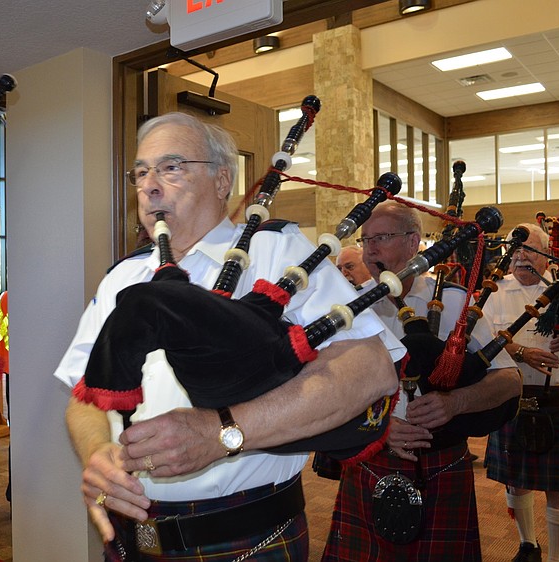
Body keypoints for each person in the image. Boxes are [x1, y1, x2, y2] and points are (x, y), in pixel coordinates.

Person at [54, 112, 402, 560]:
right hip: (134, 536)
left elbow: (371, 370)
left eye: (171, 166)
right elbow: (85, 394)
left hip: (250, 535)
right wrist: (96, 452)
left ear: (223, 180)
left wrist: (223, 433)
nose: (149, 185)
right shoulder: (122, 278)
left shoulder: (276, 251)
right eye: (141, 172)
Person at [321, 201, 521, 561]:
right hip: (370, 460)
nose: (370, 249)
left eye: (381, 237)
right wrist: (379, 427)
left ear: (413, 242)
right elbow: (326, 391)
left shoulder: (454, 301)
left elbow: (510, 379)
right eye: (365, 240)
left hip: (441, 462)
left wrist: (454, 403)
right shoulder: (350, 306)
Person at [482, 224, 559, 562]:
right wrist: (521, 352)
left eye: (530, 250)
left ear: (547, 254)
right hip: (513, 398)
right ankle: (527, 544)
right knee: (515, 483)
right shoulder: (494, 291)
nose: (521, 256)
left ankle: (557, 559)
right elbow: (483, 340)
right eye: (516, 250)